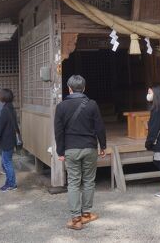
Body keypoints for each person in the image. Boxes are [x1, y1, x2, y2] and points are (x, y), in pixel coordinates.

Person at [54, 75, 107, 231]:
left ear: (69, 88)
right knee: (89, 181)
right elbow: (100, 127)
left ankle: (76, 218)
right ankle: (86, 214)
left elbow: (58, 131)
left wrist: (60, 151)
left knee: (74, 182)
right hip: (90, 147)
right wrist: (102, 146)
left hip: (71, 148)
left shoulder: (61, 107)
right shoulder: (92, 104)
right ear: (84, 88)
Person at [0, 88, 19, 192]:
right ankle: (10, 183)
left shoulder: (5, 110)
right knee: (6, 162)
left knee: (7, 163)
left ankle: (11, 184)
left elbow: (0, 127)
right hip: (11, 139)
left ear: (3, 97)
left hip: (6, 141)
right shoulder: (11, 108)